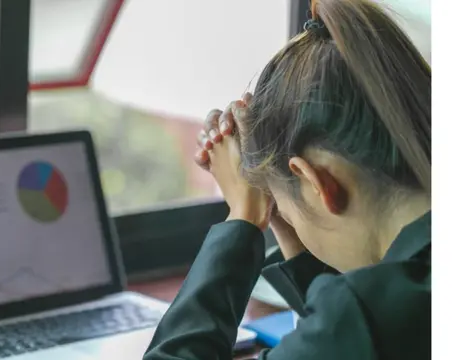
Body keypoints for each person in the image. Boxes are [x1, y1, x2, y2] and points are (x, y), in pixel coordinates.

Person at [142, 0, 431, 359]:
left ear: (316, 183)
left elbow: (350, 328)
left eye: (288, 208)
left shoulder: (363, 316)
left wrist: (244, 216)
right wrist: (289, 216)